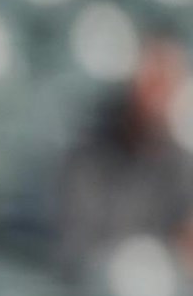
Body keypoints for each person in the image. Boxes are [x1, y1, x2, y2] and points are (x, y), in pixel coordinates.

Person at [51, 34, 193, 275]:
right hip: (94, 281)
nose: (155, 98)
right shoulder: (88, 157)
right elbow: (76, 243)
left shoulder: (181, 167)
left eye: (164, 85)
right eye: (151, 83)